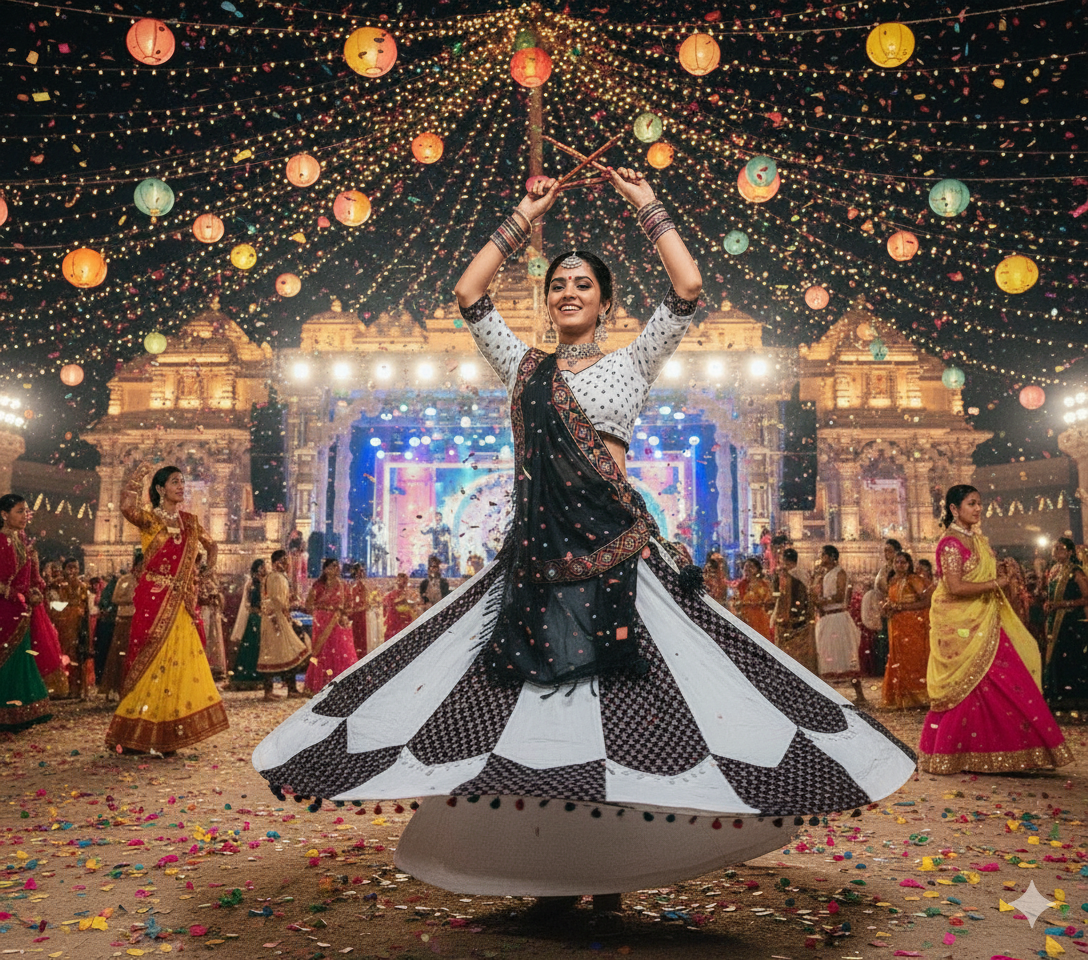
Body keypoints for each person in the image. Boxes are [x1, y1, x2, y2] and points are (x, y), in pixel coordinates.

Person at [253, 168, 914, 912]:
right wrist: (521, 214)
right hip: (534, 567)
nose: (568, 291)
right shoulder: (523, 365)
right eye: (559, 283)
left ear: (605, 302)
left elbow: (688, 288)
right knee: (539, 721)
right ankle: (550, 870)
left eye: (583, 284)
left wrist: (645, 205)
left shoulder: (631, 365)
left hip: (614, 564)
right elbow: (468, 296)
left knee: (625, 717)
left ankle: (613, 872)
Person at [918, 485, 1072, 774]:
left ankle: (1012, 749)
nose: (978, 509)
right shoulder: (951, 543)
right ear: (954, 508)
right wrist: (996, 583)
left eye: (980, 503)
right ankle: (960, 752)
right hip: (961, 627)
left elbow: (978, 573)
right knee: (968, 684)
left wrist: (1001, 570)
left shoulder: (976, 539)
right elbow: (954, 586)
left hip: (984, 620)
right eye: (971, 504)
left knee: (1007, 677)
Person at [105, 464, 229, 754]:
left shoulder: (191, 522)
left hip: (181, 601)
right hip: (153, 599)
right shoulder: (149, 519)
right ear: (160, 488)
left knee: (178, 663)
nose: (181, 487)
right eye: (175, 482)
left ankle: (168, 734)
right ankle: (137, 730)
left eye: (183, 482)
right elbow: (126, 506)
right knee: (148, 659)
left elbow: (212, 547)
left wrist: (205, 573)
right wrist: (136, 475)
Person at [0, 494, 52, 732]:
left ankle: (20, 711)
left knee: (22, 657)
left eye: (25, 511)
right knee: (7, 658)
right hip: (5, 609)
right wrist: (14, 594)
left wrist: (34, 590)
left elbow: (30, 579)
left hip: (22, 610)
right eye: (19, 511)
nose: (25, 516)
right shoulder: (1, 541)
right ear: (4, 514)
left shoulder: (22, 541)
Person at [813, 544, 865, 702]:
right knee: (825, 655)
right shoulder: (824, 574)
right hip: (827, 618)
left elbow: (840, 595)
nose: (820, 558)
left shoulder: (840, 573)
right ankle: (826, 696)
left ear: (830, 557)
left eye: (822, 555)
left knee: (846, 656)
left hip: (838, 617)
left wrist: (823, 600)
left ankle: (859, 694)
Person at [1042, 536, 1088, 710]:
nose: (1056, 551)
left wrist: (1062, 605)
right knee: (1052, 654)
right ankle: (1055, 692)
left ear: (1069, 552)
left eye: (1060, 548)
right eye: (1054, 548)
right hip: (1054, 619)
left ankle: (1071, 697)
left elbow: (1086, 598)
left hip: (1070, 622)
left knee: (1068, 656)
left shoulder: (1076, 572)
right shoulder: (1054, 570)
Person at [258, 549, 310, 700]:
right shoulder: (275, 577)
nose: (288, 563)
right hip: (275, 620)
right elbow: (276, 599)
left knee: (286, 653)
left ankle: (290, 689)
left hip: (277, 619)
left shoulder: (279, 577)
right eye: (285, 560)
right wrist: (287, 612)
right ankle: (272, 691)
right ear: (277, 563)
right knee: (273, 654)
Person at [881, 551, 930, 709]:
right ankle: (900, 697)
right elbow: (893, 600)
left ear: (909, 565)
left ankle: (919, 697)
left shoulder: (913, 579)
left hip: (913, 625)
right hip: (896, 625)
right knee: (897, 658)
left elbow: (926, 601)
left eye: (903, 562)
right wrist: (888, 607)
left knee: (913, 658)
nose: (899, 565)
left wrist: (901, 607)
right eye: (897, 562)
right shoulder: (893, 580)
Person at [303, 558, 358, 695]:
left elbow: (349, 607)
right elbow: (308, 605)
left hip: (336, 622)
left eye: (337, 566)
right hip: (321, 622)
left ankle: (339, 683)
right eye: (333, 566)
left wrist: (341, 614)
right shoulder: (318, 586)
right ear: (325, 569)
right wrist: (321, 611)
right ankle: (319, 683)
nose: (337, 568)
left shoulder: (343, 586)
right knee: (321, 652)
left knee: (339, 650)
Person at [98, 554, 142, 702]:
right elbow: (116, 598)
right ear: (135, 565)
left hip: (139, 621)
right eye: (141, 564)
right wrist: (133, 599)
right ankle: (115, 687)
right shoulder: (125, 580)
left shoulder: (146, 580)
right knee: (120, 654)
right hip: (124, 619)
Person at [772, 547, 817, 672]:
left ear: (786, 561)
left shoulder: (791, 576)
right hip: (804, 614)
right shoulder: (804, 573)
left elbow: (787, 597)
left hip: (792, 616)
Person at [52, 557, 90, 699]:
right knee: (62, 655)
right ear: (64, 569)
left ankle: (76, 689)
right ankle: (61, 688)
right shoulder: (56, 585)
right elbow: (53, 606)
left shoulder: (82, 586)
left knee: (77, 656)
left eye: (75, 567)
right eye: (70, 567)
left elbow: (85, 609)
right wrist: (72, 610)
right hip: (62, 626)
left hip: (78, 627)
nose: (73, 571)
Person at [229, 558, 267, 689]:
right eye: (262, 567)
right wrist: (257, 610)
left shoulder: (265, 582)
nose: (265, 569)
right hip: (254, 618)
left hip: (262, 617)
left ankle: (259, 678)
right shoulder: (251, 583)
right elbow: (248, 603)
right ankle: (246, 677)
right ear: (257, 569)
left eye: (265, 566)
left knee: (261, 648)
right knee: (251, 647)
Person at [734, 557, 773, 640]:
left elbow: (768, 601)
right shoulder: (741, 585)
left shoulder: (764, 584)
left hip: (759, 619)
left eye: (751, 566)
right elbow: (735, 600)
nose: (747, 569)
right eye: (746, 567)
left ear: (757, 570)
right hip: (744, 618)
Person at [382, 571, 418, 637]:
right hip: (395, 620)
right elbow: (390, 604)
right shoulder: (392, 594)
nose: (405, 583)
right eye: (404, 581)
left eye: (406, 582)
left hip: (405, 620)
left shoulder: (408, 592)